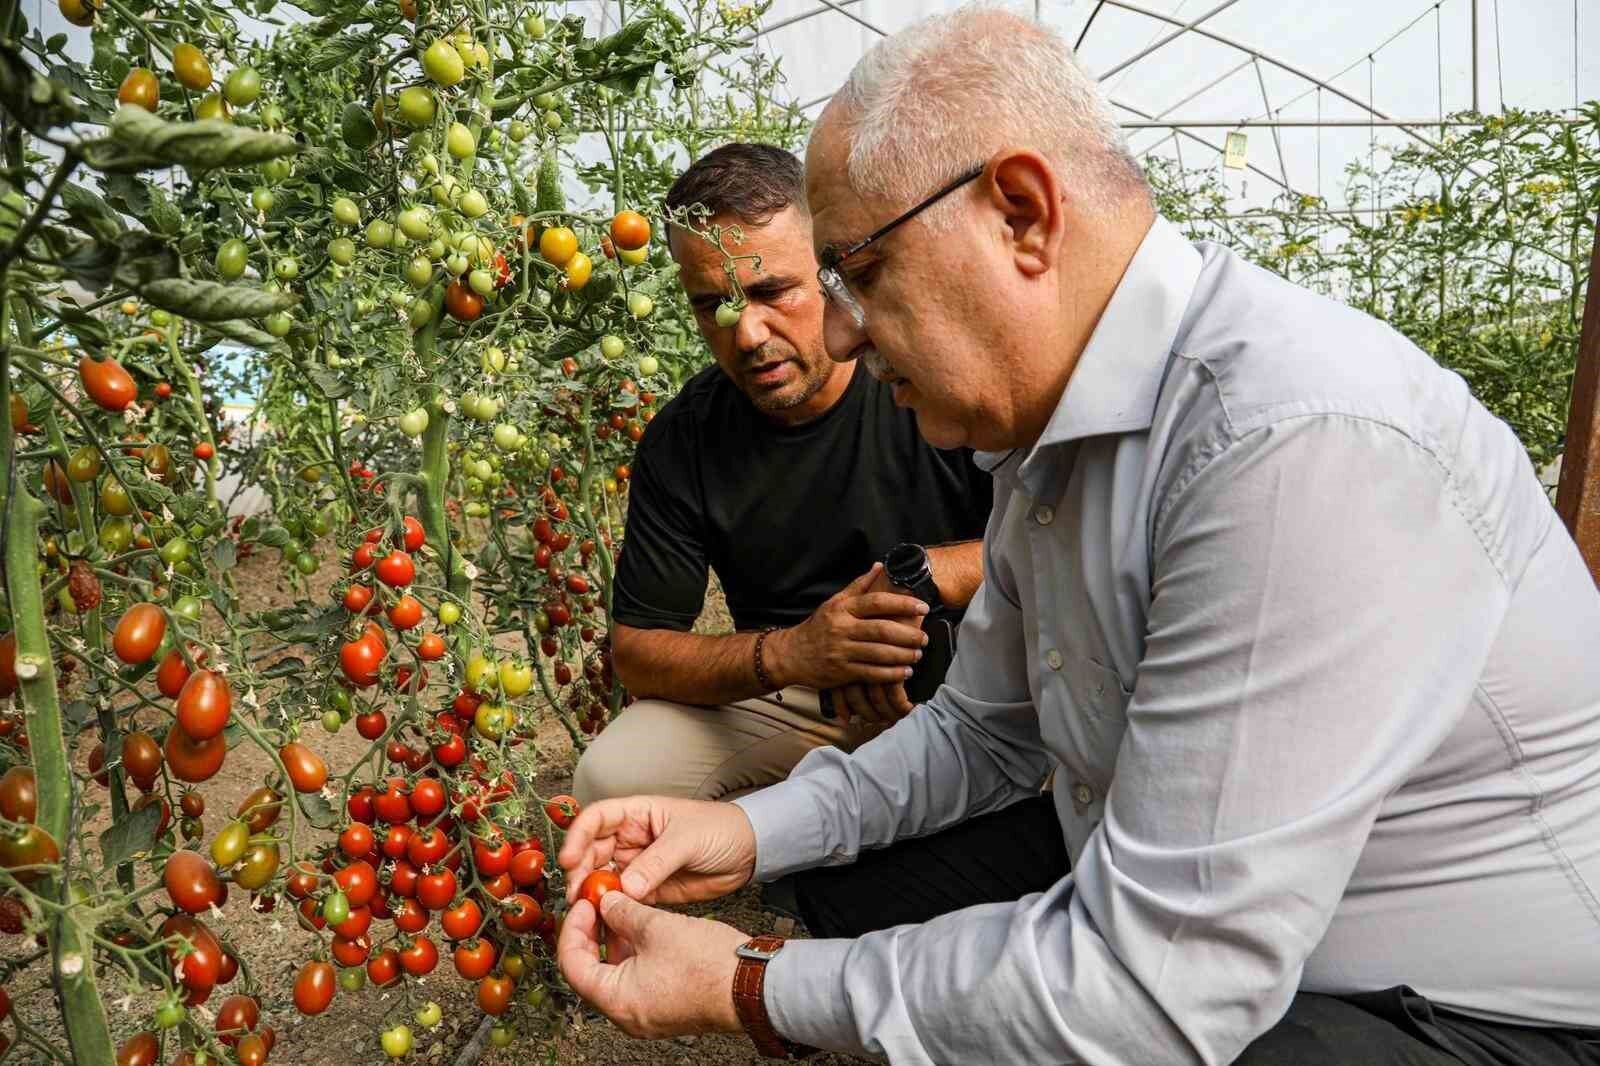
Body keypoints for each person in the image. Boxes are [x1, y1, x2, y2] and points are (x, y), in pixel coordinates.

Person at [552, 8, 1600, 1066]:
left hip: (1477, 1004)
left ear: (1020, 214)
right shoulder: (1047, 444)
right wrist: (747, 831)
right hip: (1252, 929)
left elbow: (1155, 990)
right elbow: (986, 729)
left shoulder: (1285, 439)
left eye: (859, 273)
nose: (835, 331)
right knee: (859, 878)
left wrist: (750, 984)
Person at [572, 143, 991, 805]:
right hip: (806, 700)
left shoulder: (930, 377)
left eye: (772, 291)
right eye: (713, 305)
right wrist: (795, 653)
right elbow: (638, 651)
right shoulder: (684, 441)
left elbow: (1058, 535)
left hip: (983, 676)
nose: (747, 334)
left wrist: (916, 583)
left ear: (830, 269)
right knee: (616, 774)